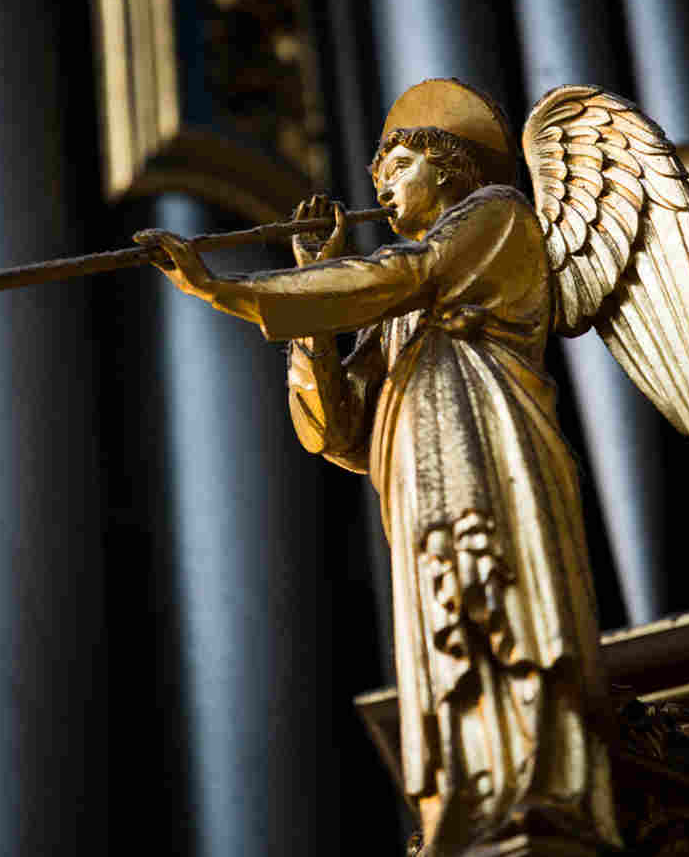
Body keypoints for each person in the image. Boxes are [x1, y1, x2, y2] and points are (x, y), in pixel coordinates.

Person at [137, 80, 623, 853]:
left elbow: (401, 275)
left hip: (487, 451)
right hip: (417, 471)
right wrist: (316, 328)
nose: (385, 188)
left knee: (493, 593)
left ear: (448, 169)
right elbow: (336, 427)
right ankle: (470, 792)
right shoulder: (401, 305)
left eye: (397, 168)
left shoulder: (497, 220)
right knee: (439, 616)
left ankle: (539, 781)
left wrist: (226, 287)